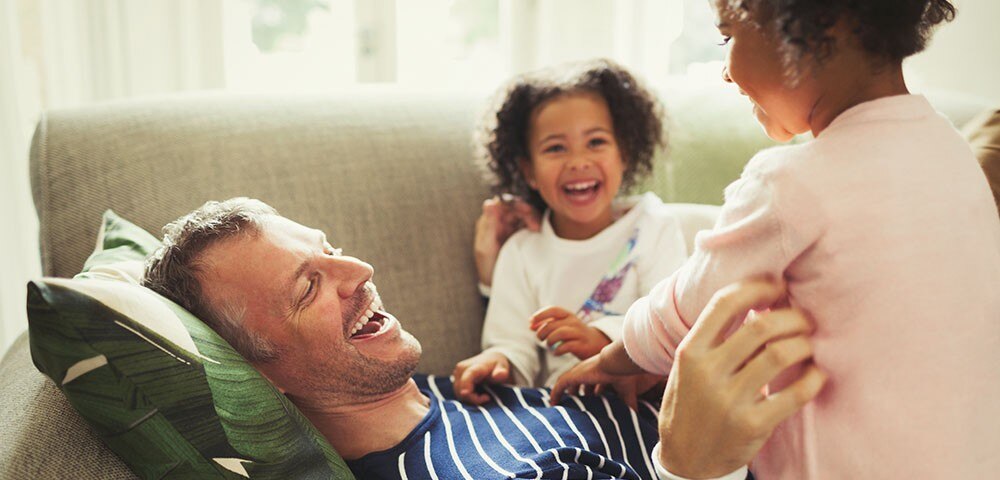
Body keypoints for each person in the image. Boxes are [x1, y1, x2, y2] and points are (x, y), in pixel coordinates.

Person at [551, 0, 1000, 479]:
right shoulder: (953, 153)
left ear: (823, 24)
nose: (725, 72)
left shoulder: (790, 183)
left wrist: (607, 360)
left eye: (728, 37)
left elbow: (686, 310)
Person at [142, 198, 682, 480]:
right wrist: (705, 442)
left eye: (330, 248)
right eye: (309, 287)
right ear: (255, 372)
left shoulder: (441, 390)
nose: (360, 269)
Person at [454, 60, 689, 405]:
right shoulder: (522, 250)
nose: (578, 161)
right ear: (528, 170)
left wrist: (601, 342)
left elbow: (669, 327)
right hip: (559, 411)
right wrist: (496, 363)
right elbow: (511, 342)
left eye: (596, 141)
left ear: (624, 153)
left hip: (642, 406)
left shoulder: (653, 227)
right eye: (555, 148)